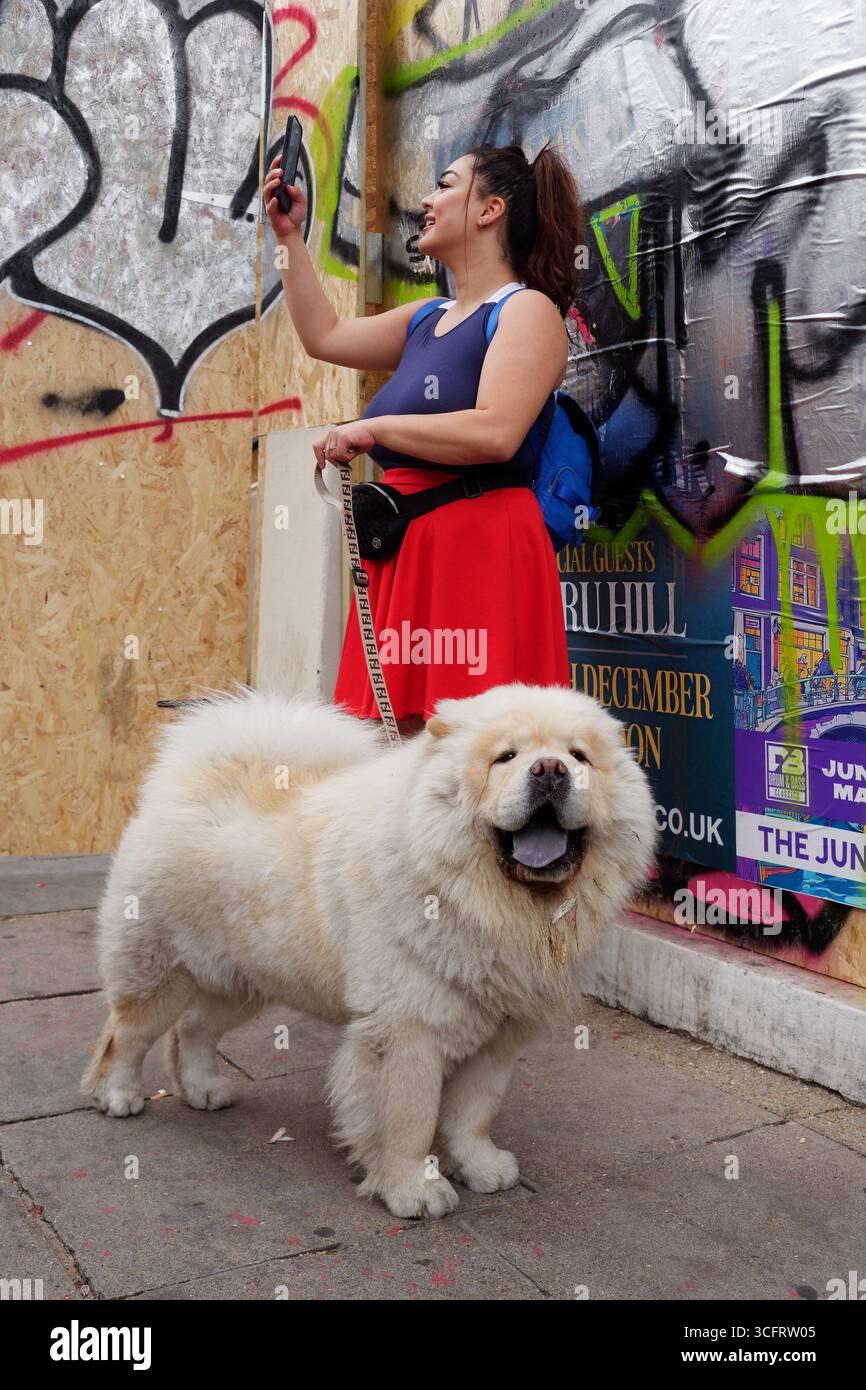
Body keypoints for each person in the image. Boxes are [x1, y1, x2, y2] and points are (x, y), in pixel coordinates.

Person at [264, 141, 584, 737]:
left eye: (444, 185)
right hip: (409, 550)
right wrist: (289, 238)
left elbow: (495, 432)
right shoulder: (424, 318)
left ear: (489, 210)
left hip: (480, 549)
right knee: (394, 745)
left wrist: (375, 428)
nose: (425, 200)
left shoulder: (525, 310)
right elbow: (323, 336)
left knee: (476, 751)